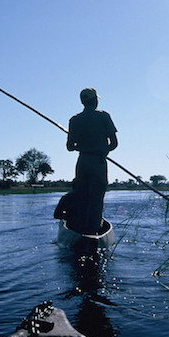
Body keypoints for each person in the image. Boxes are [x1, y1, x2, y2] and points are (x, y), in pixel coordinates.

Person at [66, 88, 118, 234]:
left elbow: (70, 147)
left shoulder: (74, 120)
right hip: (98, 162)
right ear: (95, 101)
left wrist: (82, 145)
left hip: (82, 162)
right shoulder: (104, 117)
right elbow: (114, 143)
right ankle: (93, 233)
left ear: (82, 102)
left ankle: (80, 230)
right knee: (96, 200)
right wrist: (103, 150)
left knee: (82, 197)